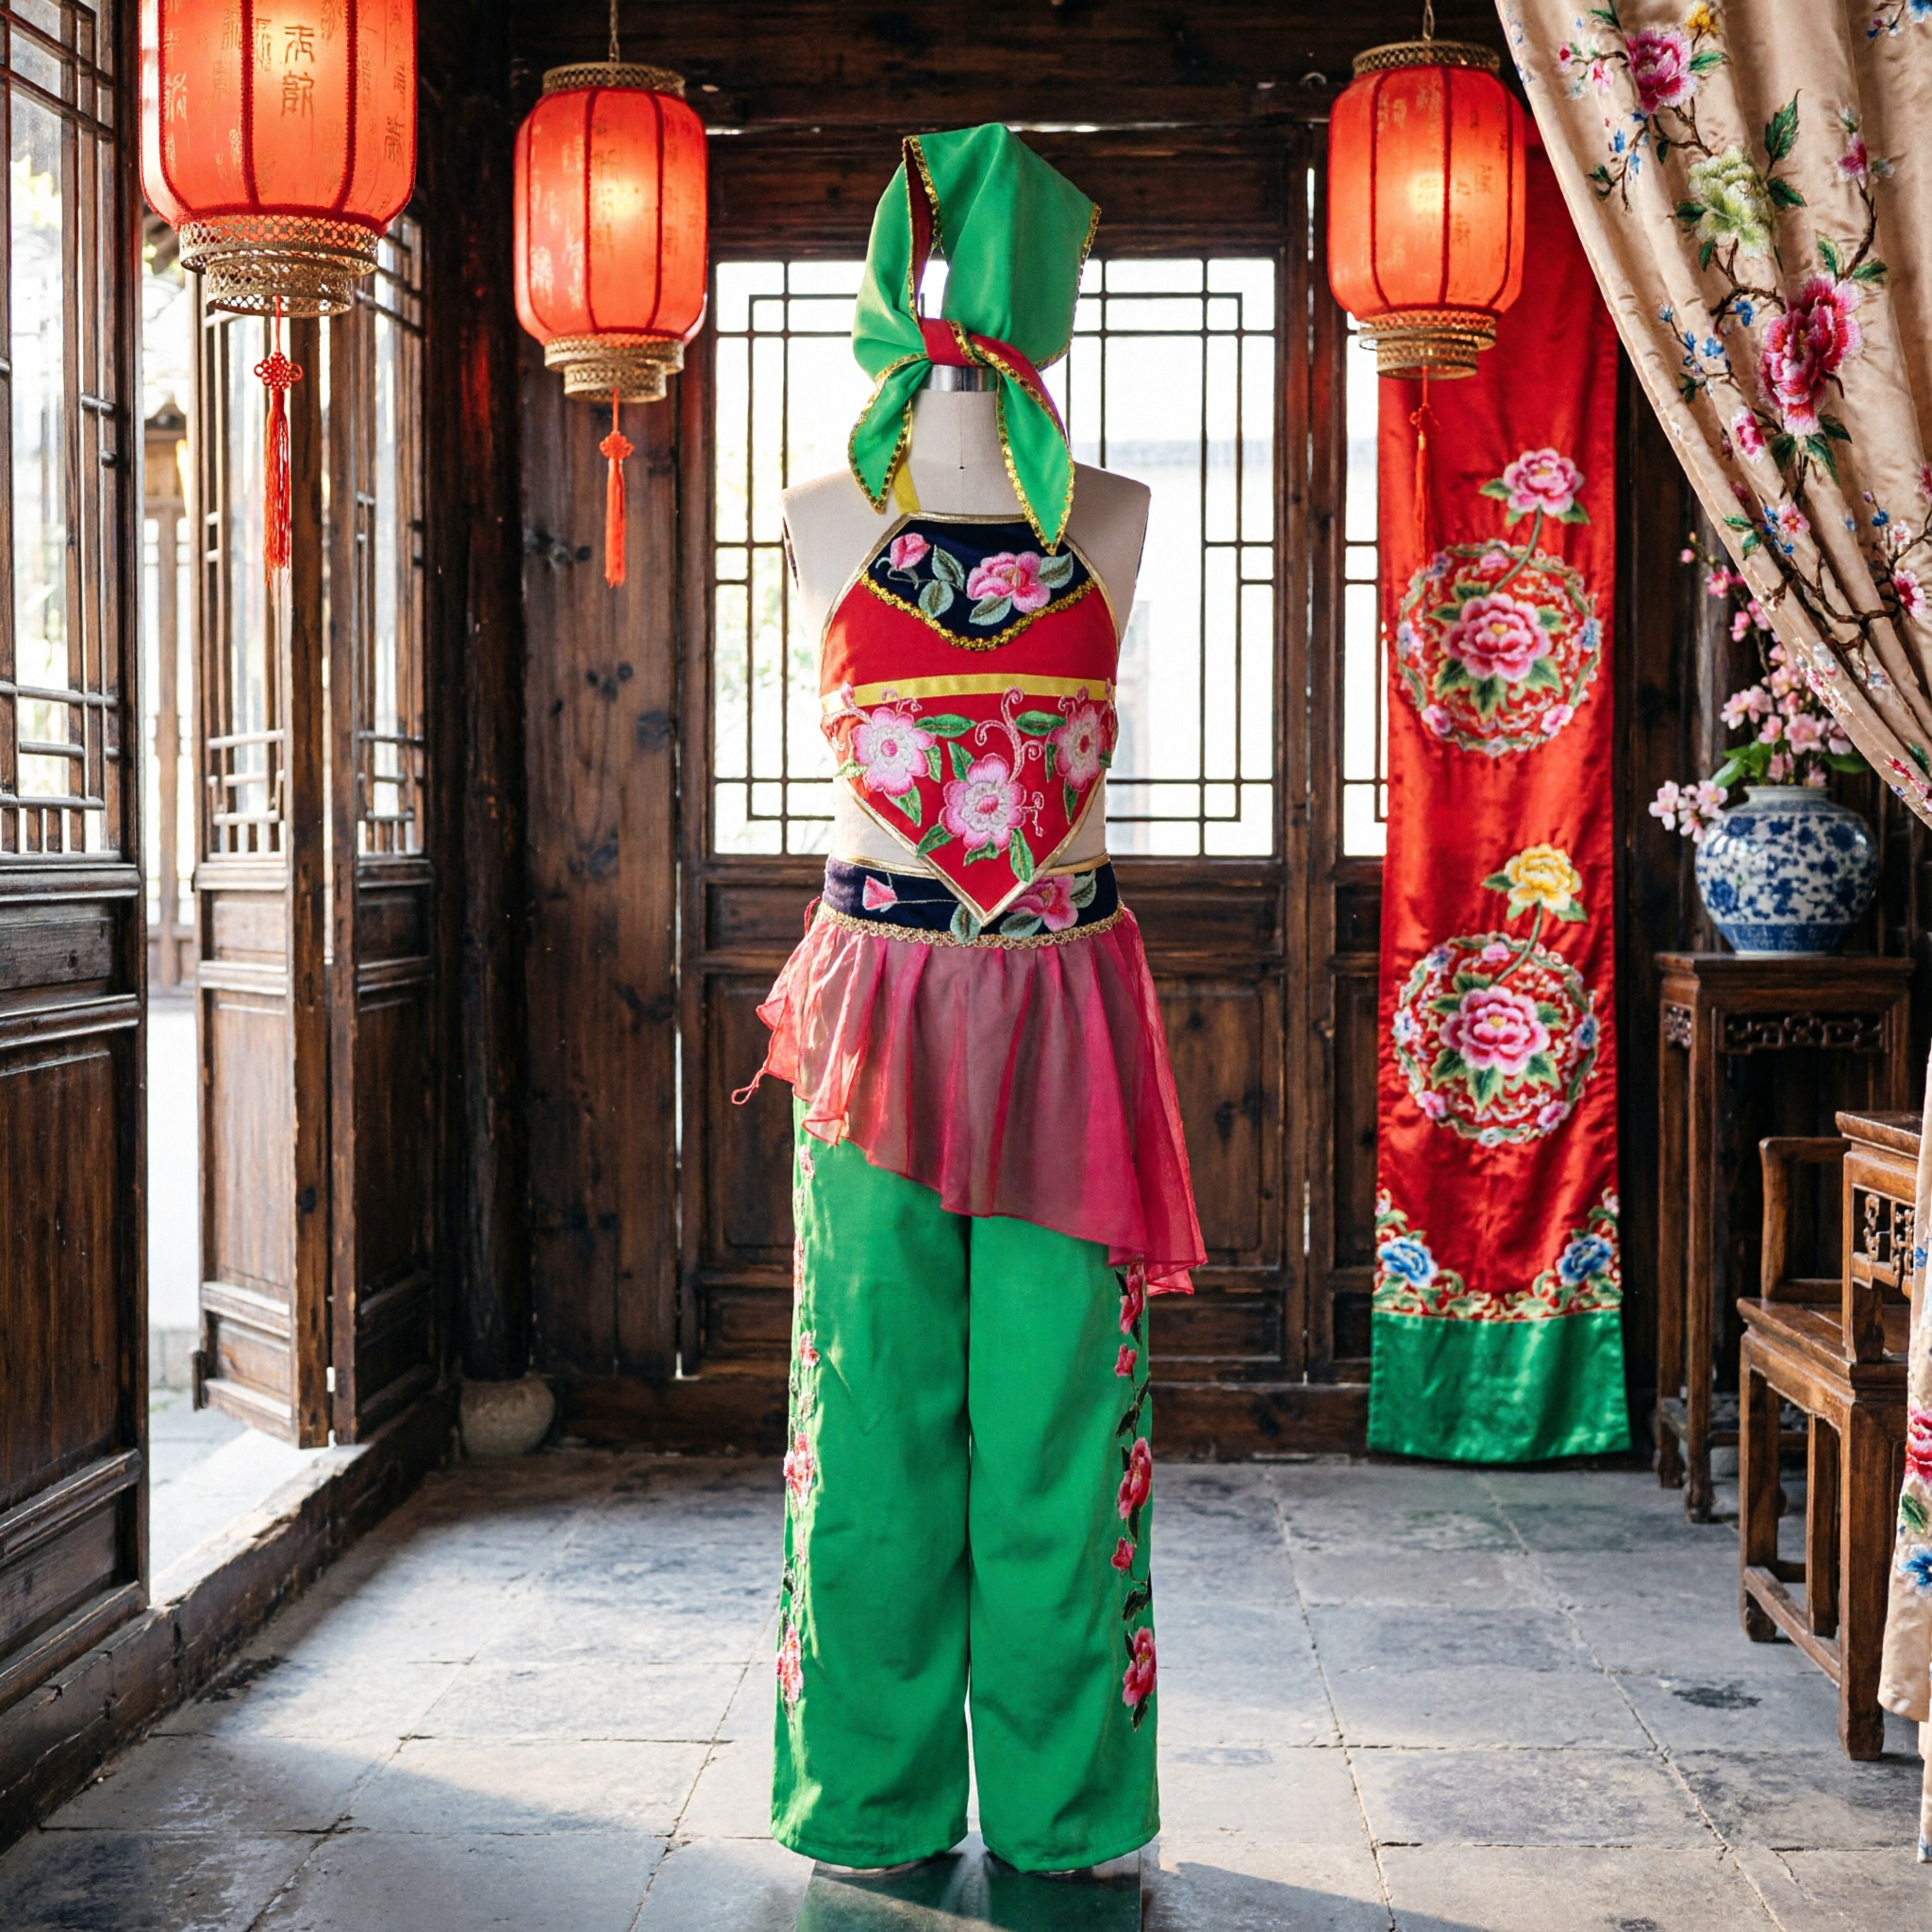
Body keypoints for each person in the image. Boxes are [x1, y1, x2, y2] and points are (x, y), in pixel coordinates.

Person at [741, 122, 1203, 1877]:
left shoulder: (1114, 514)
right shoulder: (823, 511)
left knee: (1061, 1420)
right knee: (867, 1414)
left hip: (1061, 1003)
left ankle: (1071, 1808)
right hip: (880, 1009)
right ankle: (870, 1795)